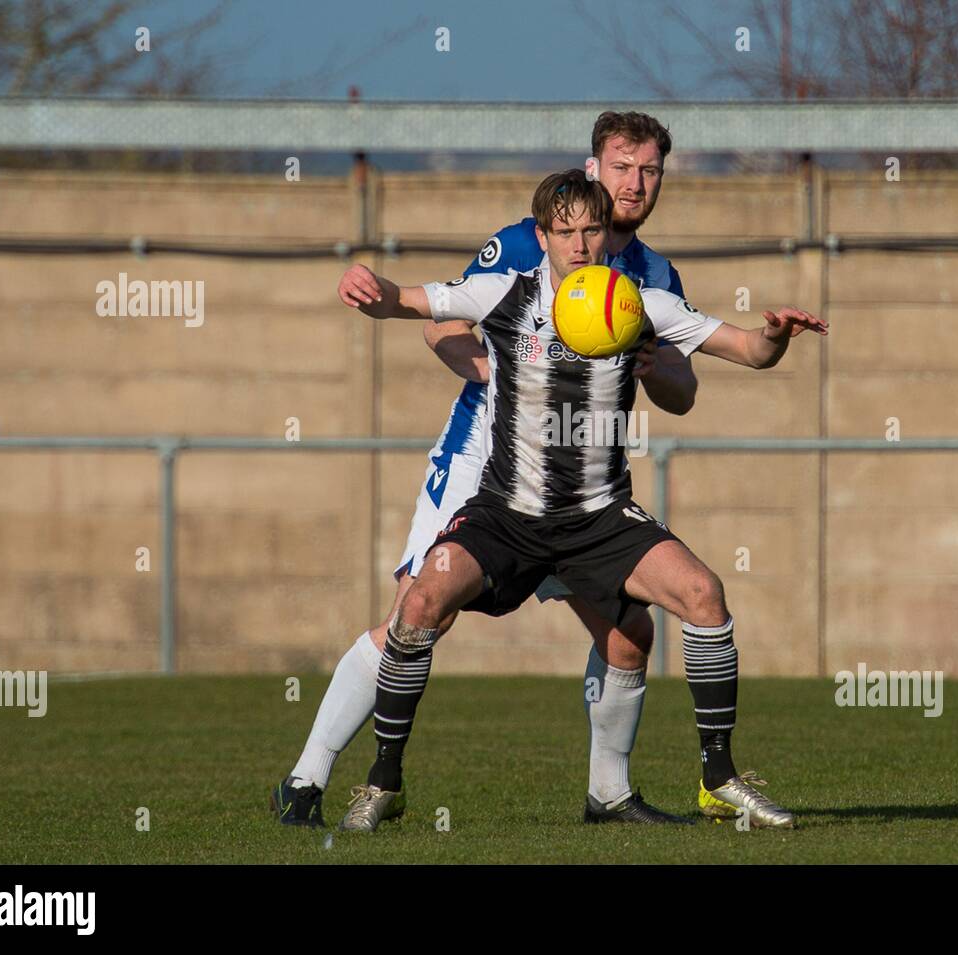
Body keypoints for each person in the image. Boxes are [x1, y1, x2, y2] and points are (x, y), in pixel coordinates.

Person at [337, 169, 827, 833]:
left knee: (702, 597)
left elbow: (745, 348)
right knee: (420, 602)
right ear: (542, 236)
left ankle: (717, 778)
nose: (579, 243)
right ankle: (383, 781)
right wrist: (372, 290)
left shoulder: (639, 303)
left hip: (599, 516)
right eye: (564, 231)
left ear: (606, 233)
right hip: (507, 513)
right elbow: (411, 301)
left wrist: (775, 334)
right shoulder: (505, 293)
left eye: (591, 229)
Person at [274, 112, 698, 827]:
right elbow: (442, 321)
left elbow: (681, 393)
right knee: (415, 612)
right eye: (622, 166)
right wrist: (507, 378)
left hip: (581, 483)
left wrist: (659, 373)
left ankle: (609, 794)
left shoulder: (654, 275)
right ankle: (308, 778)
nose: (635, 182)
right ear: (593, 169)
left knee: (628, 629)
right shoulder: (524, 244)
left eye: (649, 169)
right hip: (485, 460)